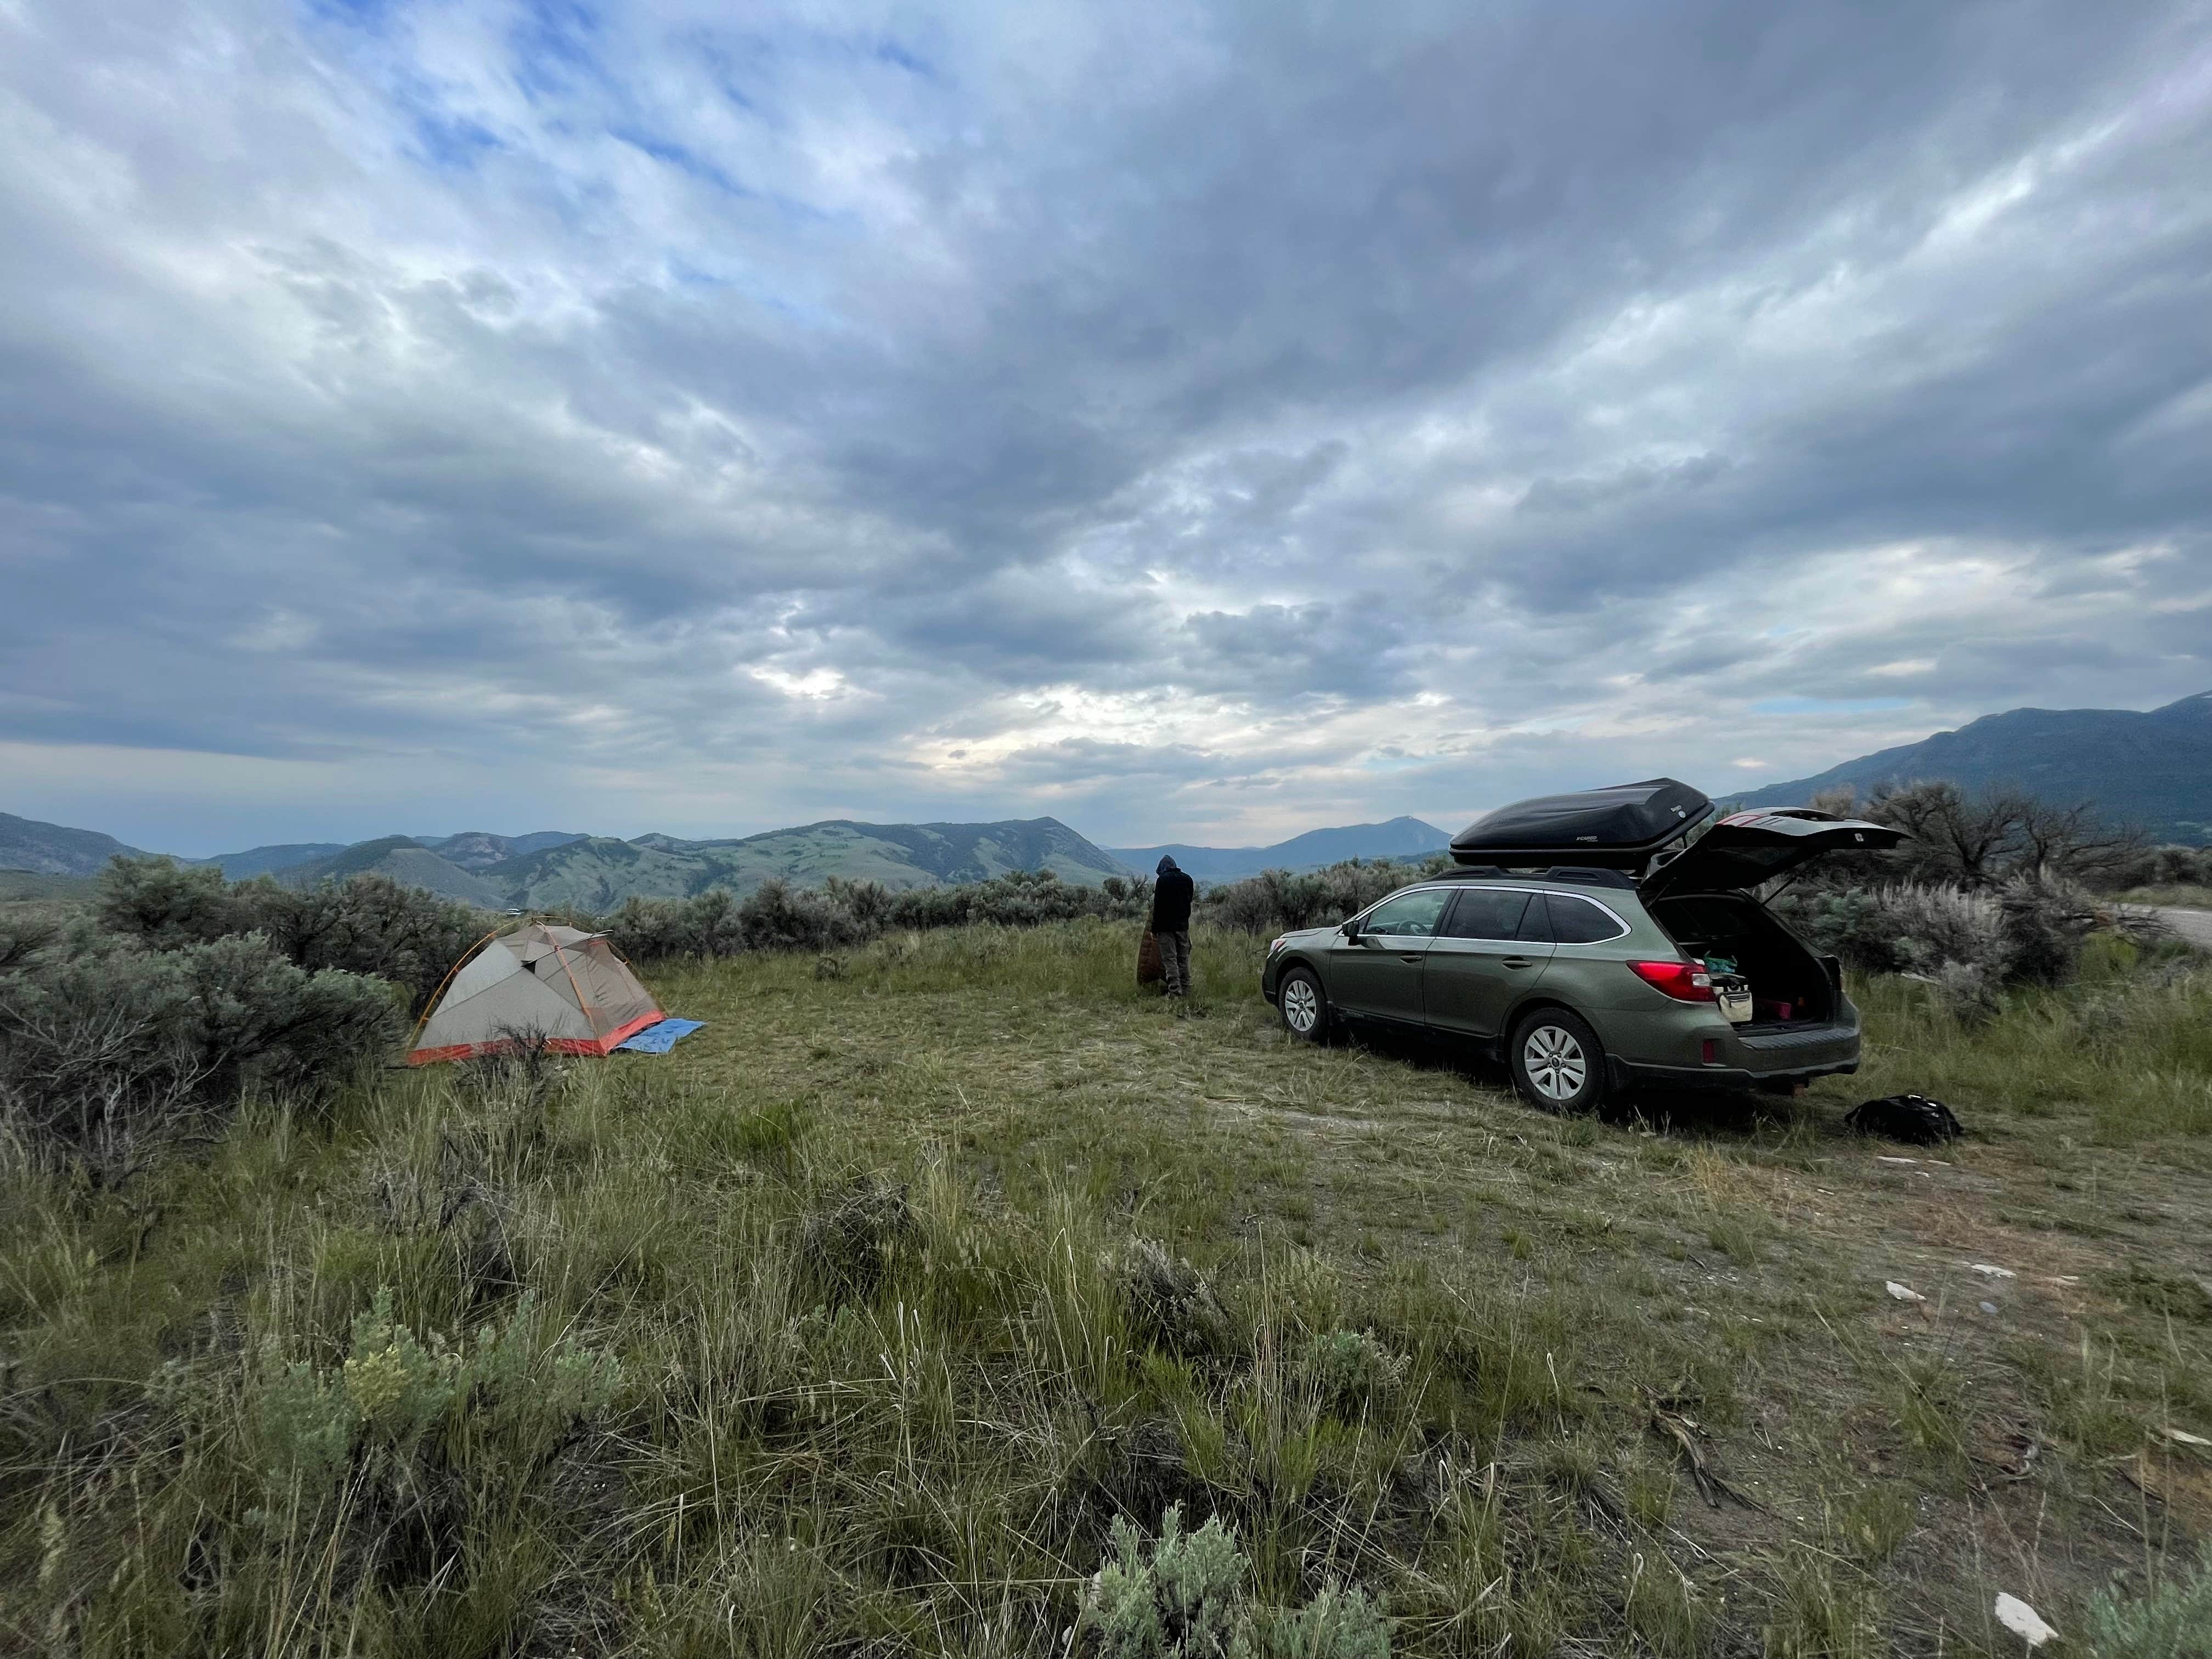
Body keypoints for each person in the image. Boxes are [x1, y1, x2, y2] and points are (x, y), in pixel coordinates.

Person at [1150, 854, 1196, 998]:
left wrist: (1154, 929)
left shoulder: (1162, 881)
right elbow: (1189, 900)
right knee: (1183, 959)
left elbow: (1158, 907)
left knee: (1170, 960)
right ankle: (1187, 990)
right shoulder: (1188, 879)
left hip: (1165, 927)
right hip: (1183, 926)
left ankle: (1175, 993)